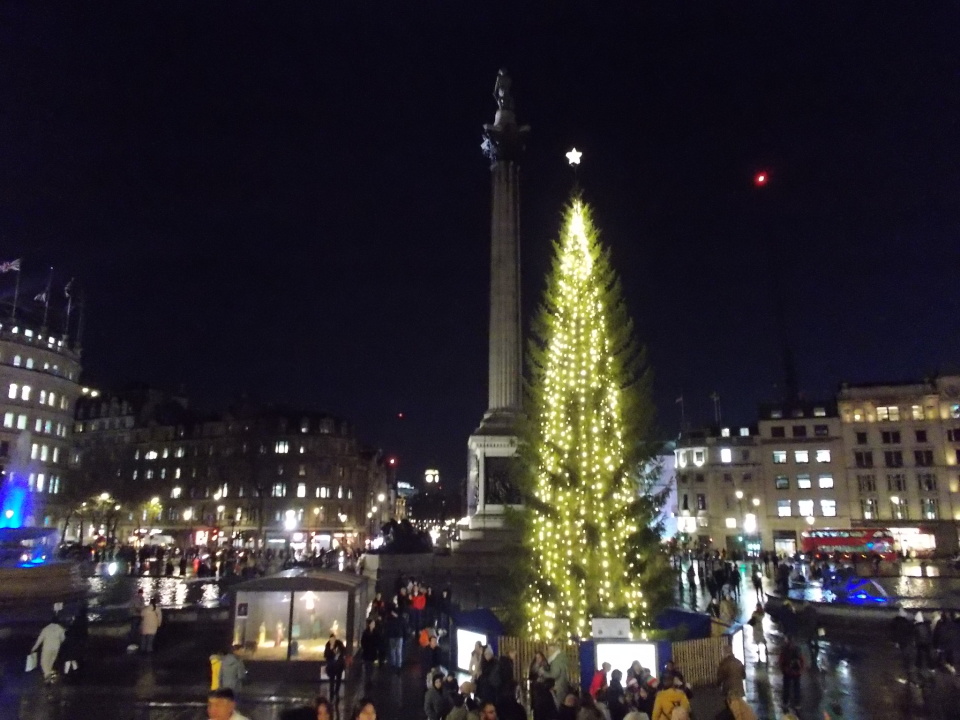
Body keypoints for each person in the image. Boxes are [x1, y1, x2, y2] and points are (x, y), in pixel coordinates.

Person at [31, 614, 66, 683]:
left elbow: (40, 639)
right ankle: (49, 678)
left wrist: (34, 648)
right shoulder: (60, 628)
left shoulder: (46, 629)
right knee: (50, 663)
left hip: (47, 648)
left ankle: (47, 676)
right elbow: (63, 639)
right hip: (56, 648)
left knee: (43, 663)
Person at [60, 606, 88, 680]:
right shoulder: (83, 621)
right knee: (73, 659)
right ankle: (76, 672)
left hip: (71, 644)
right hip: (77, 643)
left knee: (69, 659)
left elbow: (67, 633)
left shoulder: (73, 627)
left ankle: (67, 674)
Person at [778, 637, 804, 712]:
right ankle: (797, 704)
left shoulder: (784, 650)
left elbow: (781, 660)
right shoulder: (798, 650)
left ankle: (785, 703)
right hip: (796, 672)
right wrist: (800, 670)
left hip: (787, 672)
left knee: (786, 688)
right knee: (796, 689)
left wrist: (783, 669)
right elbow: (802, 660)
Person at [324, 633, 346, 698]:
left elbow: (343, 651)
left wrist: (338, 653)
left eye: (333, 639)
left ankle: (337, 691)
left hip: (339, 665)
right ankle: (332, 692)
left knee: (338, 679)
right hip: (331, 666)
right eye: (331, 639)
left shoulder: (339, 644)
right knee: (332, 679)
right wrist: (330, 650)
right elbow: (326, 655)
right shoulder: (328, 645)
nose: (332, 641)